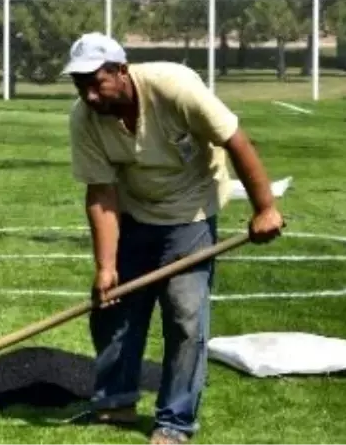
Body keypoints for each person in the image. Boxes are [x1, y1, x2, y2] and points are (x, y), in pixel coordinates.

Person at [61, 32, 284, 445]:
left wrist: (264, 207)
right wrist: (106, 267)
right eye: (80, 84)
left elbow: (234, 138)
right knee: (113, 305)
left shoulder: (174, 87)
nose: (90, 95)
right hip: (134, 211)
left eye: (97, 82)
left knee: (185, 313)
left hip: (192, 209)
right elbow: (101, 192)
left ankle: (175, 421)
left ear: (121, 70)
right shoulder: (84, 118)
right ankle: (116, 400)